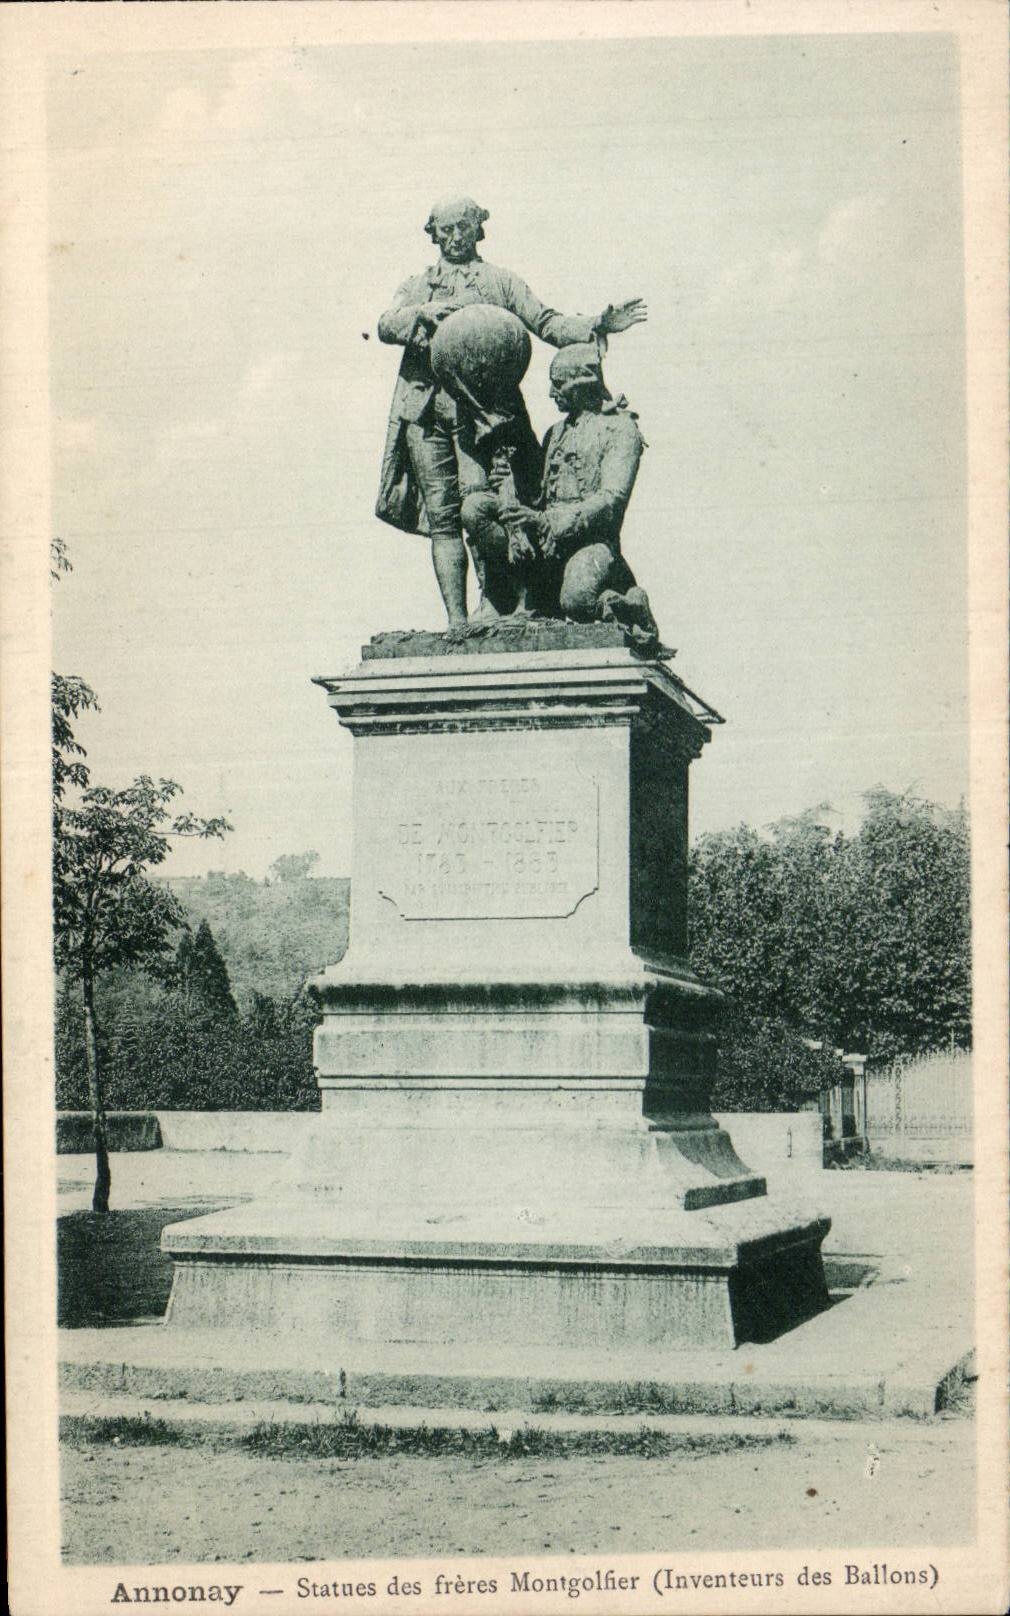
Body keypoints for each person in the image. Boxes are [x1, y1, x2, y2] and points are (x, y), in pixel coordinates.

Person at [376, 195, 647, 628]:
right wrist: (420, 314)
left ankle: (495, 603)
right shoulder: (417, 286)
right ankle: (456, 622)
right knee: (442, 515)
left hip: (484, 413)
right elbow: (386, 324)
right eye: (444, 230)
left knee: (484, 503)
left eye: (461, 227)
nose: (454, 237)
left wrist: (595, 324)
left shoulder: (500, 282)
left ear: (477, 229)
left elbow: (545, 321)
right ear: (433, 235)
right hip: (425, 410)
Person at [461, 343, 660, 643]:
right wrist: (510, 482)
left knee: (577, 602)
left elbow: (612, 500)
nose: (552, 394)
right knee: (476, 508)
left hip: (591, 543)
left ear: (581, 384)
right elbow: (539, 494)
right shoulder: (555, 432)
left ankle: (629, 604)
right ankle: (506, 598)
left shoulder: (621, 430)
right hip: (545, 542)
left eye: (558, 385)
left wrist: (548, 522)